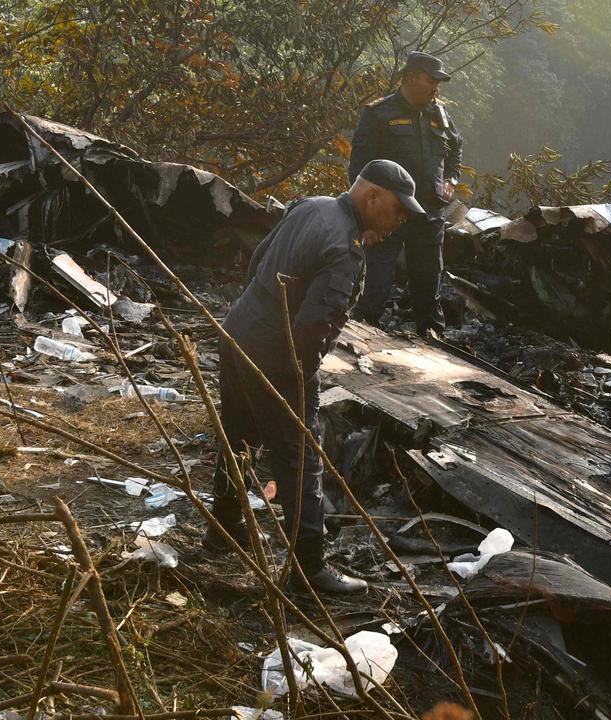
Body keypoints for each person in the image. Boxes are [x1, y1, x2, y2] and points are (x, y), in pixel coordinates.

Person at [204, 160, 422, 596]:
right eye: (398, 210)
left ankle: (223, 530)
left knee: (239, 438)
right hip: (277, 358)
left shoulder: (313, 206)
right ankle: (309, 569)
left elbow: (259, 261)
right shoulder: (344, 247)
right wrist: (304, 381)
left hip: (239, 330)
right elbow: (311, 330)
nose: (400, 221)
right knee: (302, 457)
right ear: (373, 196)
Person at [348, 51, 464, 337]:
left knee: (428, 282)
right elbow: (359, 170)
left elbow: (456, 149)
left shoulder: (440, 114)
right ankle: (359, 337)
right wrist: (366, 220)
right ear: (410, 78)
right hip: (389, 214)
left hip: (430, 213)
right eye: (431, 80)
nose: (436, 88)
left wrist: (451, 179)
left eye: (439, 82)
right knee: (375, 283)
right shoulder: (379, 113)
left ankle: (433, 340)